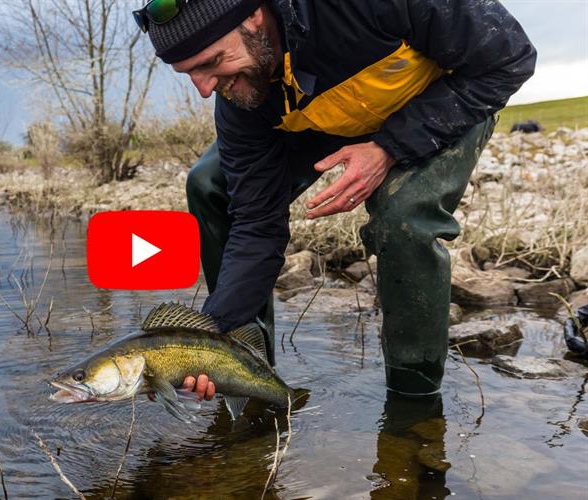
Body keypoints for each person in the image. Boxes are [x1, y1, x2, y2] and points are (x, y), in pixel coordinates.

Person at [134, 0, 536, 398]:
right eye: (189, 74)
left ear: (254, 17)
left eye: (211, 62)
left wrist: (388, 148)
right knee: (210, 183)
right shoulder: (240, 99)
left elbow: (509, 59)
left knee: (404, 217)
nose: (204, 89)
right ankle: (249, 375)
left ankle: (413, 404)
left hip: (439, 97)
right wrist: (210, 339)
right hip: (329, 118)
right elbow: (256, 225)